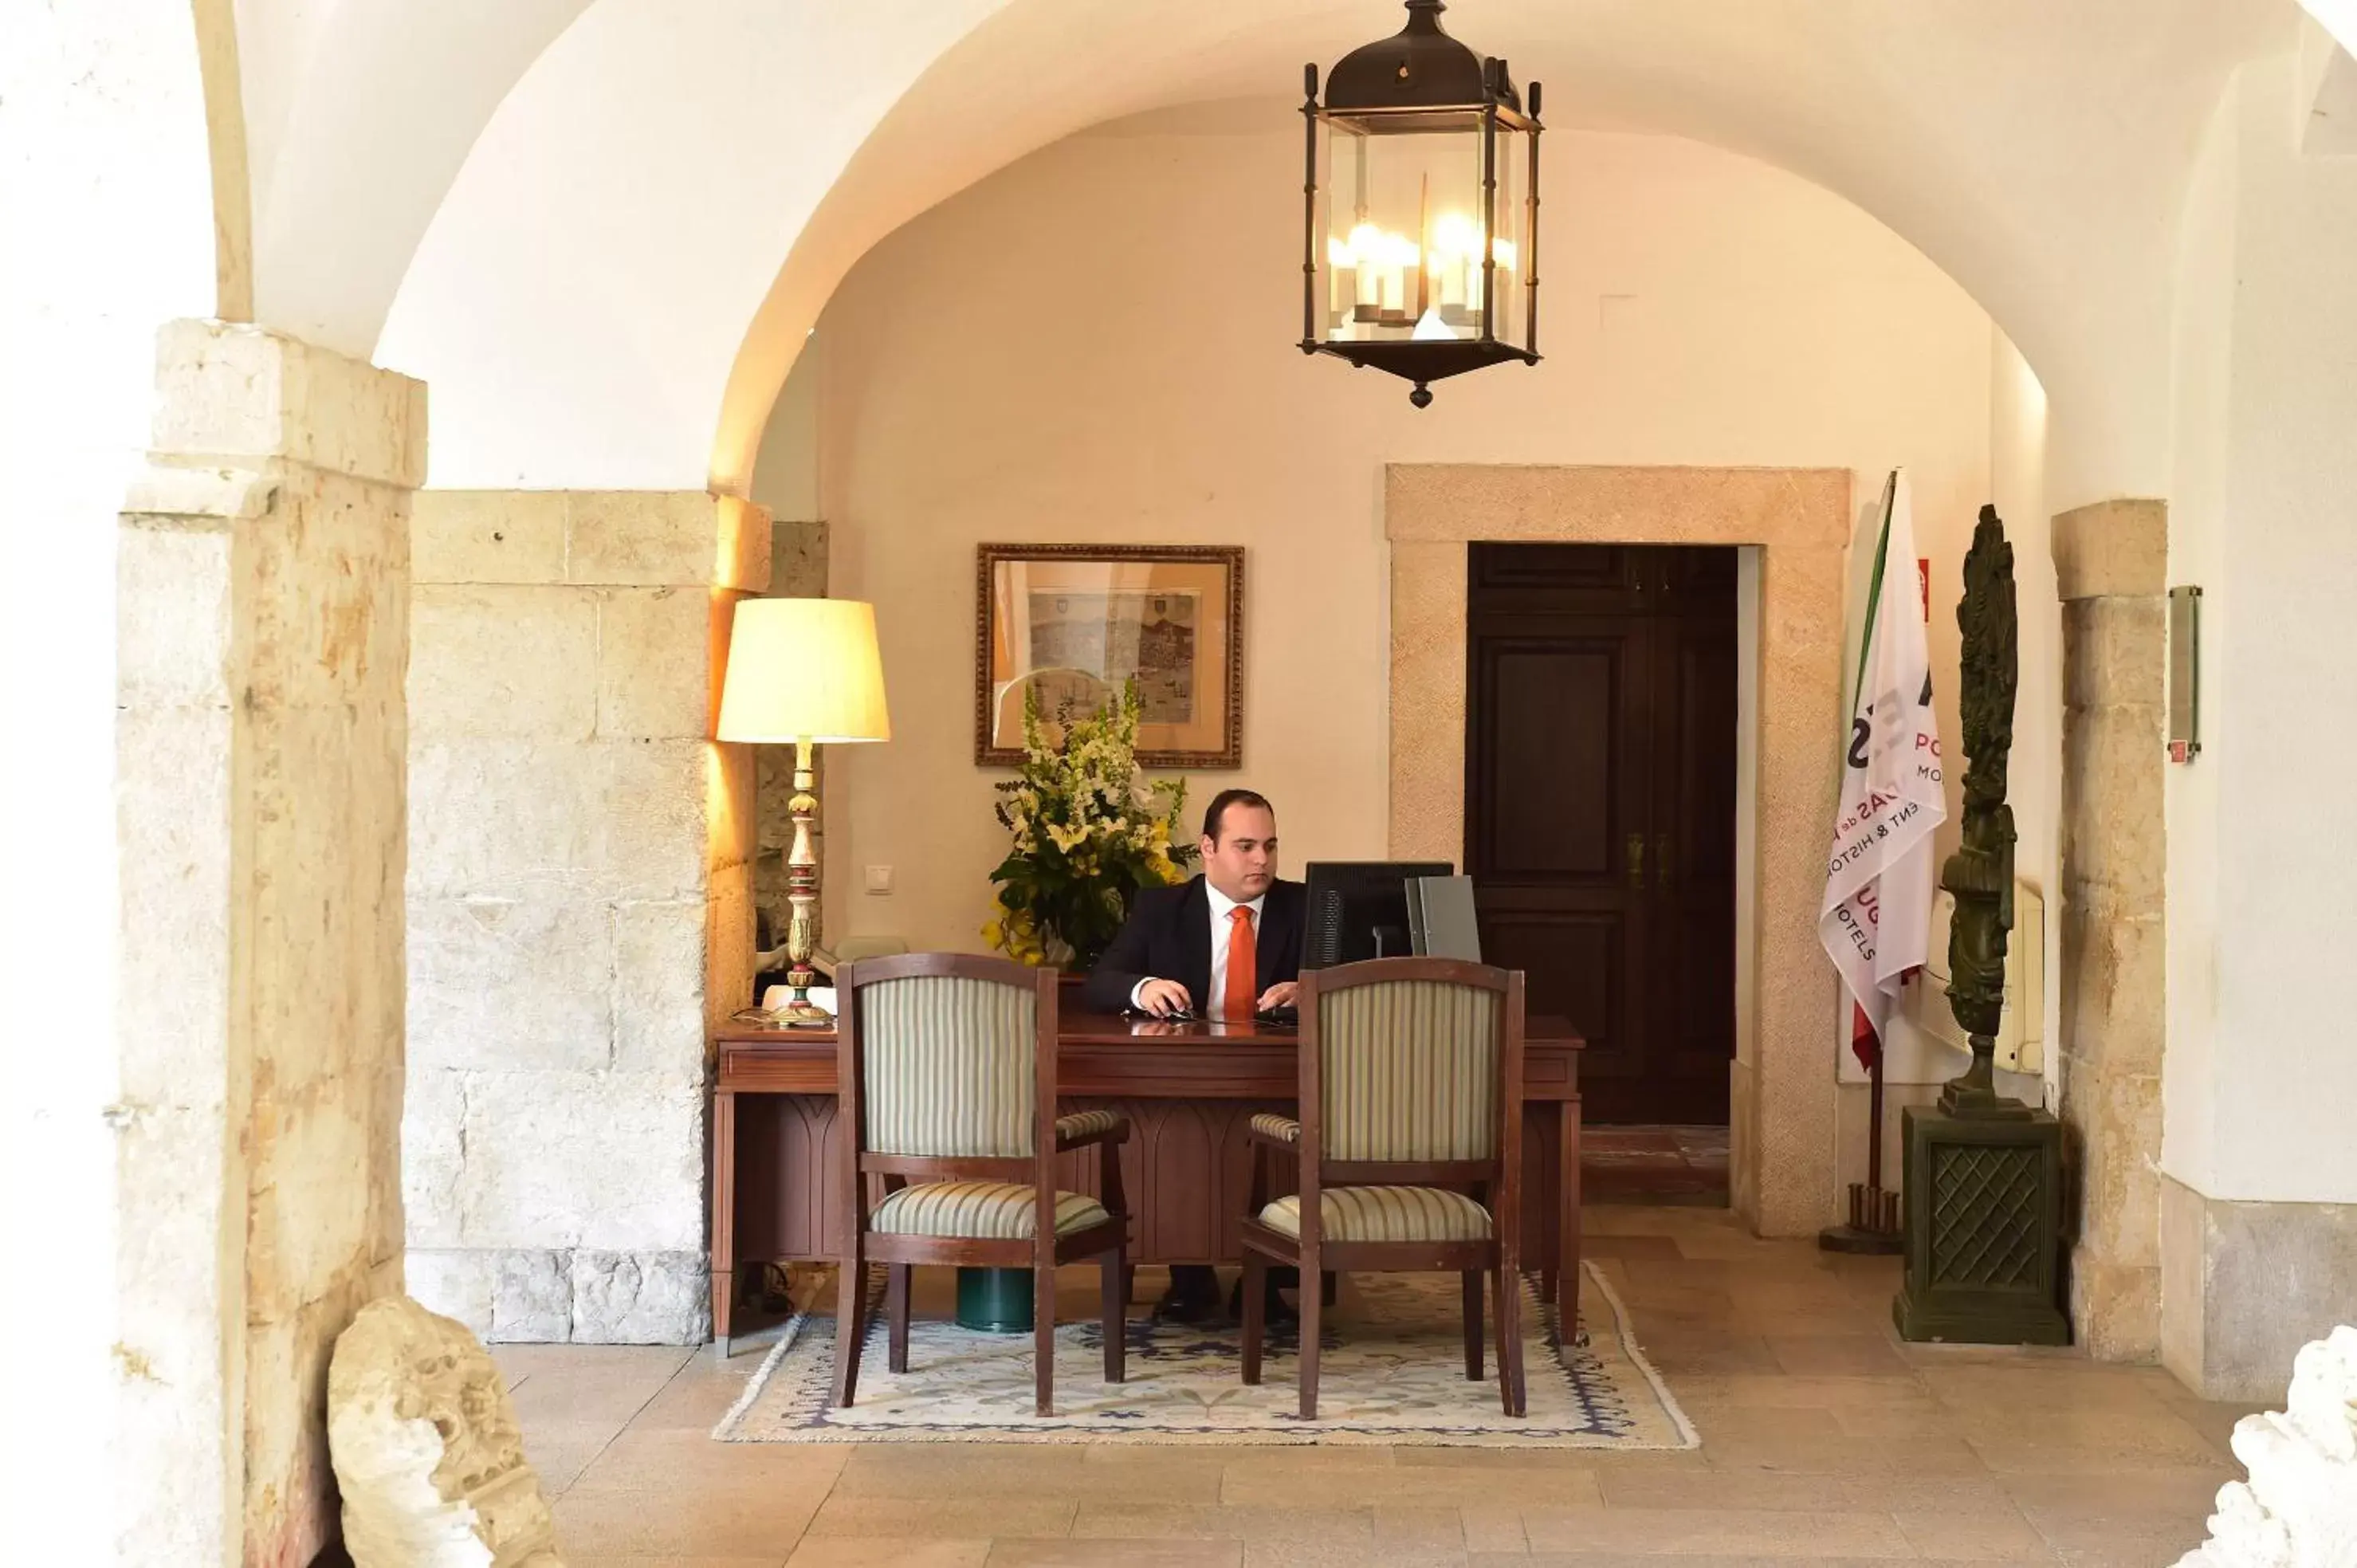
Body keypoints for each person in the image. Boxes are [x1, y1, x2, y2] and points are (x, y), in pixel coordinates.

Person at [1084, 788, 1305, 1323]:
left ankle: (1273, 1279)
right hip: (1188, 1070)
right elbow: (1099, 983)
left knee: (1292, 1131)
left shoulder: (1305, 906)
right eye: (1245, 845)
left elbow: (1352, 975)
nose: (1262, 860)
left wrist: (1310, 990)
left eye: (1270, 846)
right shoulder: (1161, 907)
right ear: (1207, 848)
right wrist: (1144, 986)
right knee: (1175, 1134)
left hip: (1282, 1073)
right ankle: (1190, 1276)